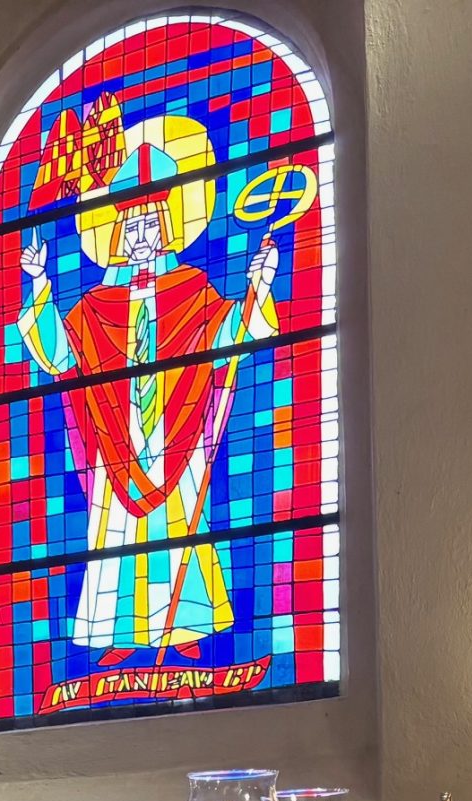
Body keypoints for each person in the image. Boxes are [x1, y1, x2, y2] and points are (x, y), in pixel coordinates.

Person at [17, 102, 280, 665]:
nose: (140, 235)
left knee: (180, 524)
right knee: (113, 535)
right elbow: (60, 355)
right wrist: (40, 283)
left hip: (175, 431)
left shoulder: (193, 288)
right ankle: (119, 635)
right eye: (130, 225)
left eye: (150, 223)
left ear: (167, 227)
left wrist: (258, 288)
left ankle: (184, 627)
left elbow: (228, 333)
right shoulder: (96, 304)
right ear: (117, 233)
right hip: (117, 437)